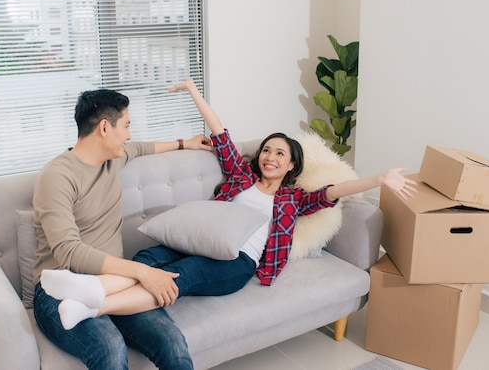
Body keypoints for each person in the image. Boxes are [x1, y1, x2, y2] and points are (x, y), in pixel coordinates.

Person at [40, 78, 418, 331]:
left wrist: (378, 179)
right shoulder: (240, 176)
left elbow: (334, 191)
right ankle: (81, 288)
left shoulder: (293, 200)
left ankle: (91, 306)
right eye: (267, 149)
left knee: (180, 279)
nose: (270, 156)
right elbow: (220, 133)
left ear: (292, 166)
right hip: (201, 241)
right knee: (148, 261)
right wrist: (192, 91)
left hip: (236, 262)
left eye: (280, 153)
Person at [32, 87, 213, 370]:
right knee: (110, 348)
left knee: (172, 342)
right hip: (60, 290)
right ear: (104, 127)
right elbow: (68, 251)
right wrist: (143, 272)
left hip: (113, 283)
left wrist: (184, 142)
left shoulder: (113, 159)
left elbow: (142, 147)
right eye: (126, 125)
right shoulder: (57, 176)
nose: (129, 134)